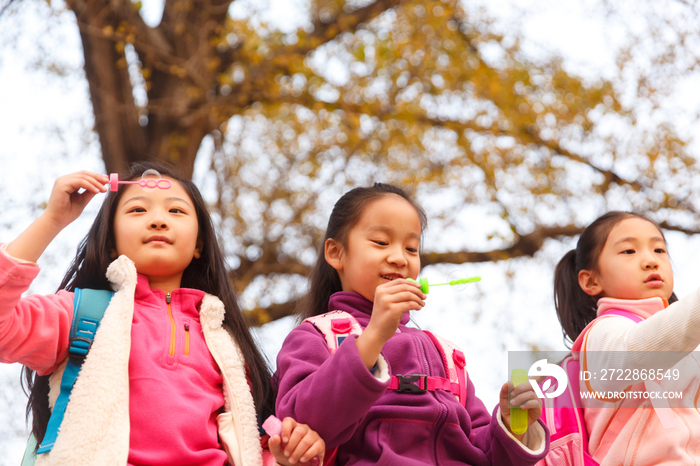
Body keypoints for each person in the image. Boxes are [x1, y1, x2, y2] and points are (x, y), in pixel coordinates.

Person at [0, 163, 324, 466]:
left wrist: (291, 455)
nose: (158, 220)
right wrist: (52, 220)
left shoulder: (229, 347)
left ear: (199, 244)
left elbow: (252, 446)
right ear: (111, 242)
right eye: (138, 209)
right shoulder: (79, 314)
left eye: (176, 210)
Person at [274, 183, 549, 465]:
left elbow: (483, 452)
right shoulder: (315, 337)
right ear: (335, 253)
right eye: (381, 242)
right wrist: (374, 337)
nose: (399, 258)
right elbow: (298, 423)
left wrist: (513, 427)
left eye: (411, 248)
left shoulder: (445, 354)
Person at [553, 211, 700, 465]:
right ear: (591, 281)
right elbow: (636, 352)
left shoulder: (686, 347)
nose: (650, 261)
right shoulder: (602, 333)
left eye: (659, 250)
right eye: (629, 251)